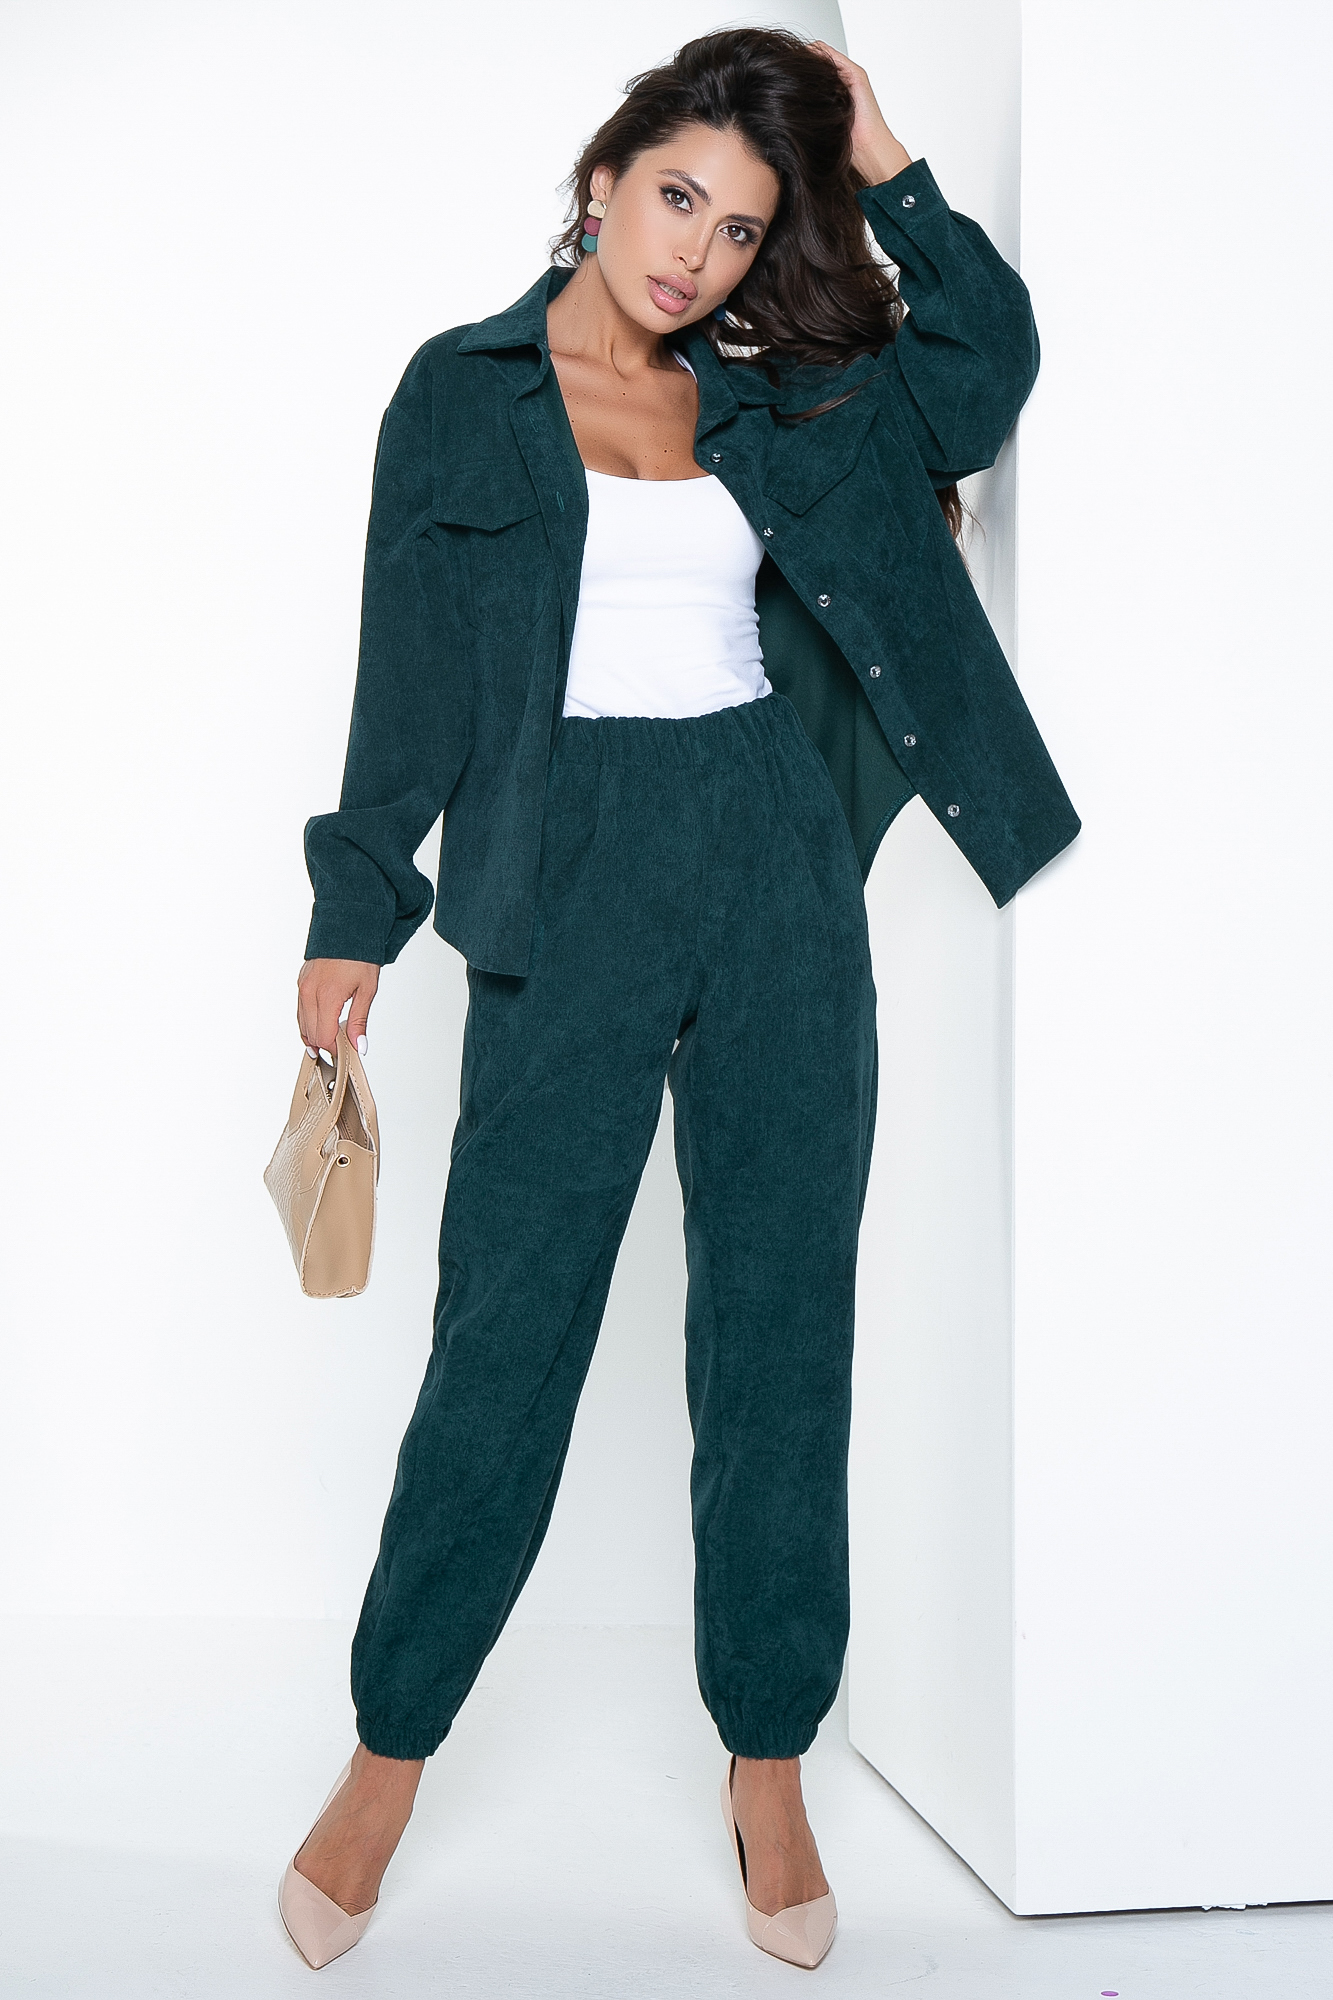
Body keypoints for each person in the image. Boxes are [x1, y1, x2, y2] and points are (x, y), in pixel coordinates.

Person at [278, 27, 1078, 1974]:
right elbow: (408, 670)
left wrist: (880, 163)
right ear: (604, 174)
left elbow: (982, 374)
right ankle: (389, 1750)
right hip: (565, 880)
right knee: (506, 1335)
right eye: (675, 199)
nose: (695, 254)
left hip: (771, 853)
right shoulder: (461, 396)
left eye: (735, 227)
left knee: (781, 1328)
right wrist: (355, 912)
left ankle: (768, 1756)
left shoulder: (785, 382)